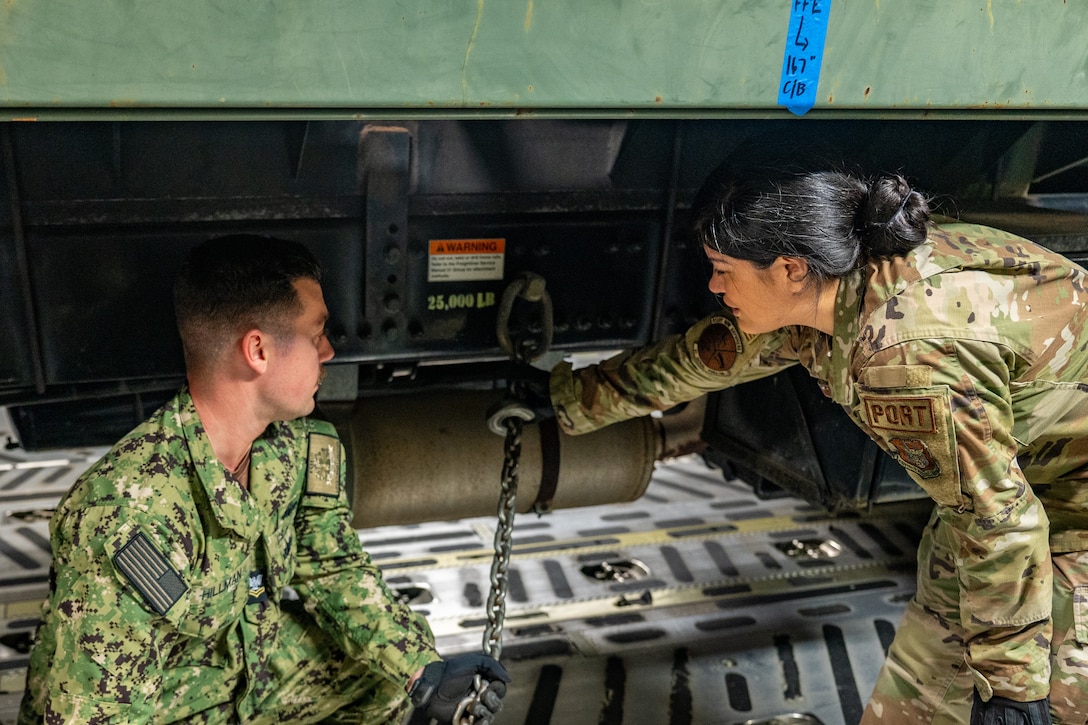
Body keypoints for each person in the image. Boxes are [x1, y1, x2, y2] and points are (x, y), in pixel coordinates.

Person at [544, 167, 1088, 724]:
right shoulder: (827, 286)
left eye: (722, 270)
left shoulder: (903, 352)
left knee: (1043, 698)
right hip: (1016, 492)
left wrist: (1013, 692)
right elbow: (705, 358)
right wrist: (563, 400)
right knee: (919, 703)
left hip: (1071, 508)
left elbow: (1000, 521)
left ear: (787, 268)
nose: (713, 287)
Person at [18, 234, 509, 724]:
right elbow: (93, 713)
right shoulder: (128, 514)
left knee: (381, 678)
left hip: (246, 669)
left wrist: (422, 671)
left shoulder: (295, 446)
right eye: (317, 334)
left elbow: (332, 565)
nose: (329, 352)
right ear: (257, 350)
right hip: (165, 706)